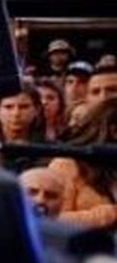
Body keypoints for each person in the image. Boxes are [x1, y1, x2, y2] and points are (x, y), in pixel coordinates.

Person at [46, 97, 117, 230]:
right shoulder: (67, 164)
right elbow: (52, 220)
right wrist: (109, 214)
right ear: (114, 131)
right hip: (85, 242)